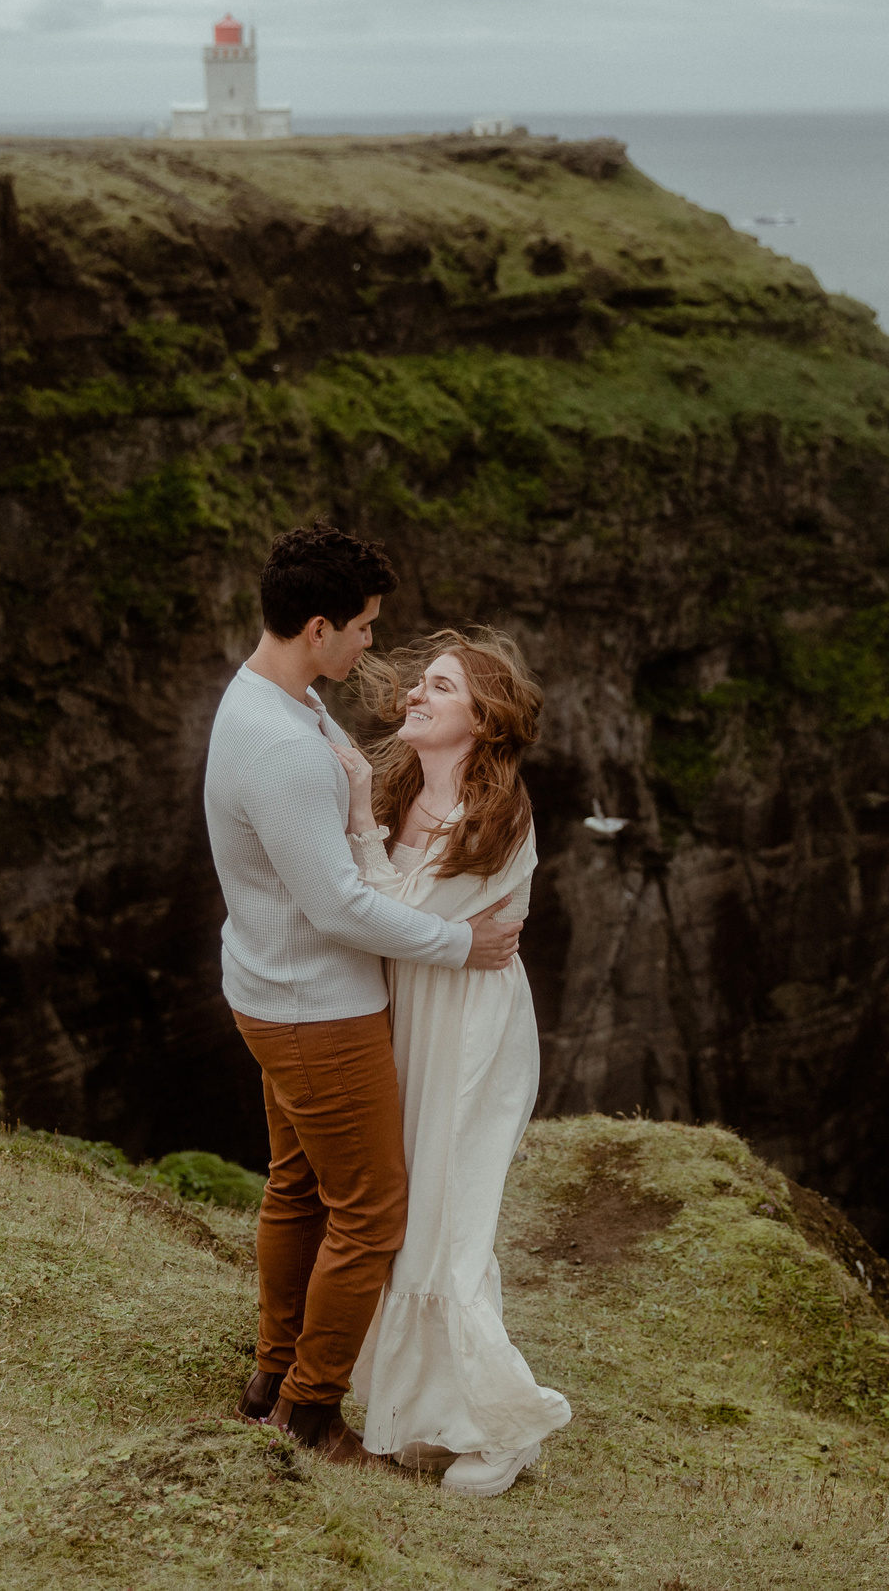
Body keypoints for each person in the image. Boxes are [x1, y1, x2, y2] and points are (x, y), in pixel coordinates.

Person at [203, 524, 524, 1467]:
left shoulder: (275, 696)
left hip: (271, 985)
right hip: (314, 1007)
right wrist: (463, 943)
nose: (372, 648)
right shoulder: (284, 745)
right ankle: (307, 1412)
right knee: (373, 1210)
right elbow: (339, 908)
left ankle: (272, 1377)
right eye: (363, 628)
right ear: (316, 626)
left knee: (300, 1187)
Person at [334, 628, 571, 1497]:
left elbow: (386, 906)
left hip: (472, 1029)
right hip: (411, 1015)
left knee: (453, 1217)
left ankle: (504, 1424)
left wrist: (357, 815)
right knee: (411, 1219)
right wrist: (371, 807)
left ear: (482, 714)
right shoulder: (406, 790)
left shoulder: (500, 813)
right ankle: (430, 1413)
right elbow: (404, 924)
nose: (414, 696)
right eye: (419, 683)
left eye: (438, 686)